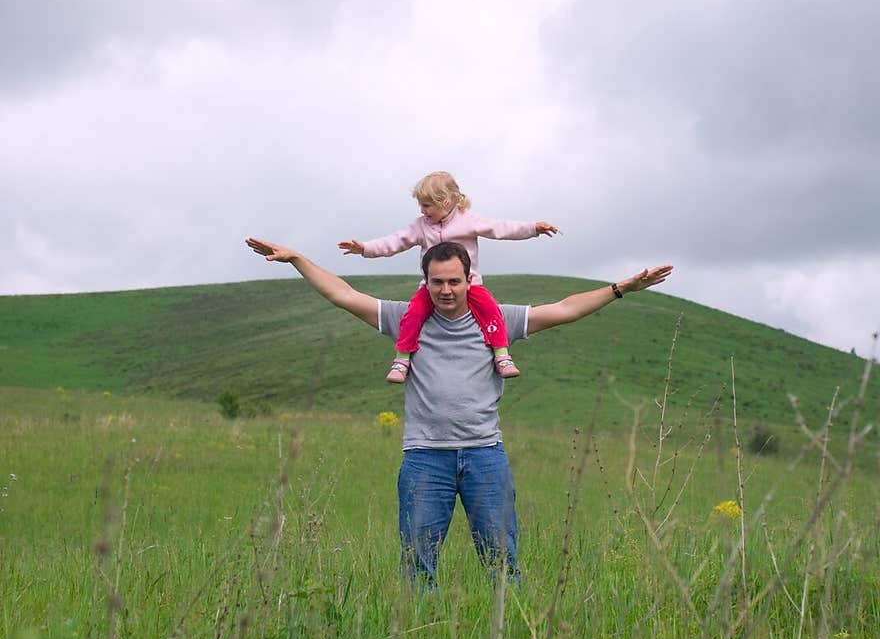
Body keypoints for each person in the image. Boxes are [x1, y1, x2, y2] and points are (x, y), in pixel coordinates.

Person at [245, 232, 673, 590]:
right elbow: (344, 295)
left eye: (454, 281)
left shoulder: (497, 320)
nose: (446, 290)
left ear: (470, 279)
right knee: (417, 565)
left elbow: (563, 309)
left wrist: (620, 289)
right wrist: (299, 259)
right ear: (425, 282)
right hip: (424, 458)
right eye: (437, 282)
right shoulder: (404, 318)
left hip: (485, 455)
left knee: (502, 565)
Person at [338, 170, 559, 383]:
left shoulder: (468, 221)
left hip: (470, 285)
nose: (423, 211)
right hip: (431, 287)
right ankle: (402, 359)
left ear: (445, 202)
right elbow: (395, 241)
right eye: (421, 205)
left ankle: (501, 354)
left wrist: (532, 228)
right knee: (412, 313)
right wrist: (365, 248)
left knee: (491, 310)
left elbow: (501, 228)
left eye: (427, 205)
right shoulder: (420, 226)